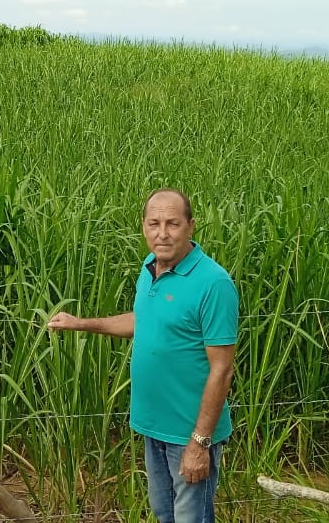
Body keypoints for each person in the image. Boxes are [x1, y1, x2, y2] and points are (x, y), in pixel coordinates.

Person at [48, 189, 238, 523]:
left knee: (191, 519)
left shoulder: (213, 283)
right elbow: (144, 320)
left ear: (191, 226)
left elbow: (222, 369)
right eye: (154, 223)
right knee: (164, 515)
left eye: (172, 223)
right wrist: (81, 323)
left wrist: (200, 443)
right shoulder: (150, 267)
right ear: (144, 227)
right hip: (154, 427)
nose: (162, 233)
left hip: (189, 435)